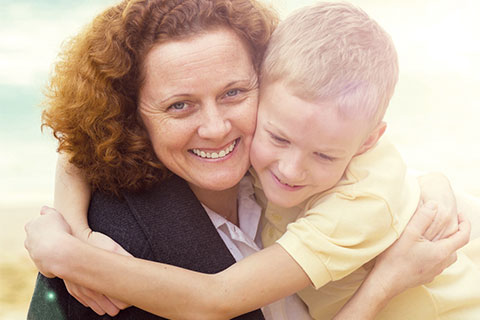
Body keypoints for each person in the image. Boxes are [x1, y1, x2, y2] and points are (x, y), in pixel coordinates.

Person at [25, 0, 471, 319]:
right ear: (129, 112)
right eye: (180, 105)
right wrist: (77, 234)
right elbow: (76, 154)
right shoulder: (122, 233)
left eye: (234, 92)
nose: (217, 128)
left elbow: (218, 298)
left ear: (265, 80)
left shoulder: (284, 165)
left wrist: (63, 251)